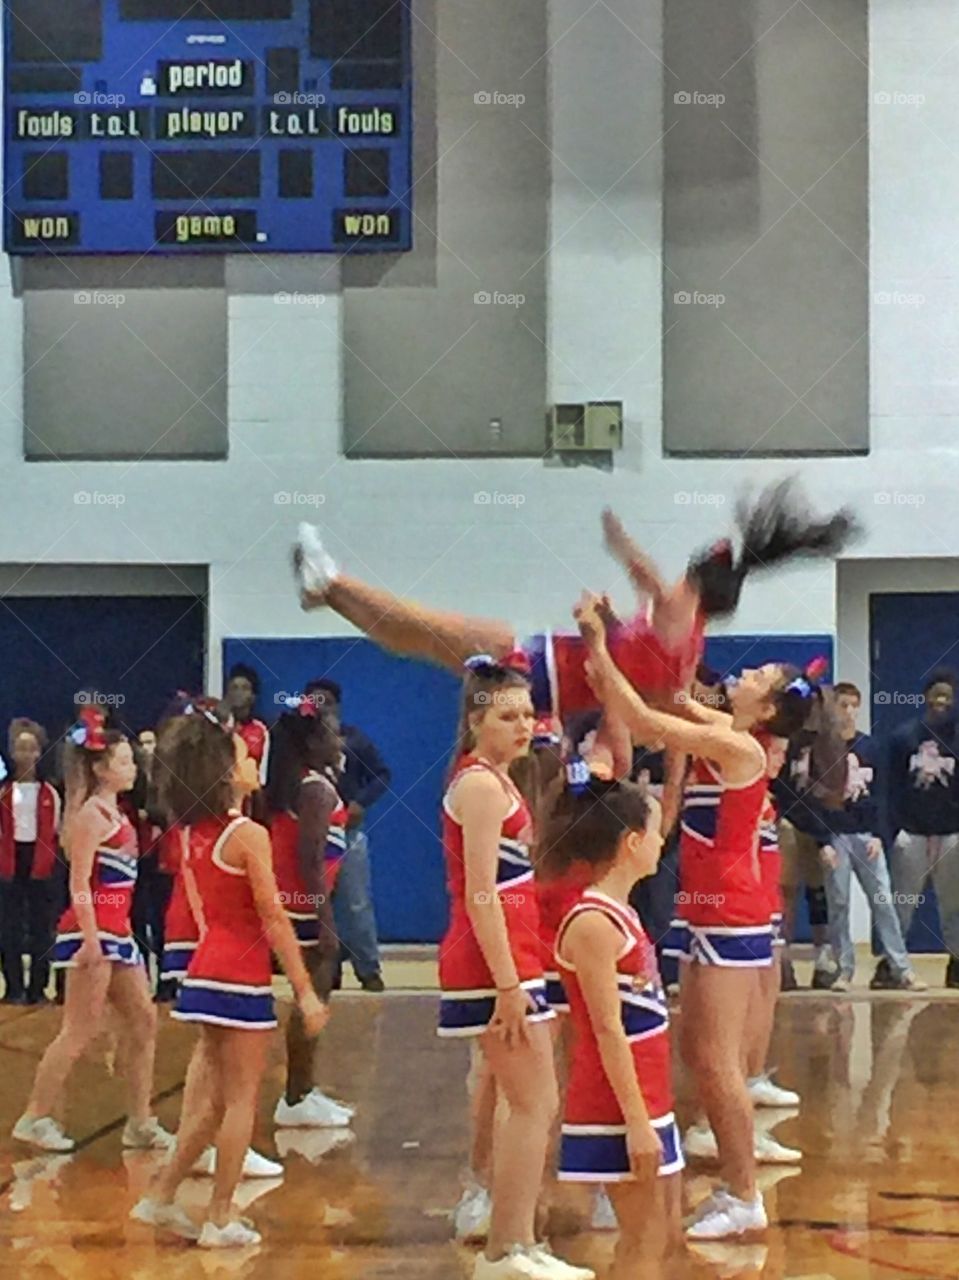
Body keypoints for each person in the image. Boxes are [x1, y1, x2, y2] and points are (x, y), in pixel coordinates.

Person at [577, 592, 821, 1241]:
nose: (739, 675)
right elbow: (665, 698)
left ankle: (744, 1195)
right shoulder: (730, 734)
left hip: (731, 918)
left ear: (766, 706)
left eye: (755, 677)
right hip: (711, 914)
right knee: (701, 1055)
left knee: (714, 1061)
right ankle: (730, 1182)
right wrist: (653, 634)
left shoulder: (741, 751)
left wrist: (599, 643)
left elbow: (641, 717)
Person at [291, 479, 859, 720]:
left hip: (541, 673)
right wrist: (611, 623)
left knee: (444, 631)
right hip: (556, 695)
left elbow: (646, 575)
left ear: (696, 580)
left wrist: (619, 539)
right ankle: (330, 593)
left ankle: (334, 580)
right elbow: (643, 682)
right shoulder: (687, 640)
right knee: (421, 640)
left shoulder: (678, 608)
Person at [132, 701, 326, 1248]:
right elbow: (274, 919)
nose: (253, 761)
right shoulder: (246, 835)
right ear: (223, 771)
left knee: (213, 1101)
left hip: (204, 971)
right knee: (241, 1101)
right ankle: (220, 1216)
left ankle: (160, 1196)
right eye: (243, 754)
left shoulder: (193, 835)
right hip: (239, 978)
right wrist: (305, 992)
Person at [439, 656, 591, 1280]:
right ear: (477, 721)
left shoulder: (501, 782)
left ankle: (518, 1241)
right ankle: (507, 1249)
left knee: (524, 1102)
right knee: (535, 1102)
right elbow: (480, 892)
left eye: (529, 713)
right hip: (491, 963)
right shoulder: (477, 785)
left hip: (516, 956)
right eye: (508, 715)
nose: (524, 725)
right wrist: (507, 982)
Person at [12, 708, 171, 1154]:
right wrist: (93, 941)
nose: (133, 768)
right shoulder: (90, 817)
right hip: (94, 933)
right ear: (101, 769)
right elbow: (78, 883)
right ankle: (35, 1116)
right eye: (124, 762)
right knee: (78, 1030)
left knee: (143, 1021)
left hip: (118, 933)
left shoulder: (117, 813)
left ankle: (140, 1121)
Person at [546, 761, 682, 1280]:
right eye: (654, 830)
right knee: (644, 1239)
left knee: (663, 1232)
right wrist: (637, 1124)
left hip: (650, 1095)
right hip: (617, 1104)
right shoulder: (592, 923)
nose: (661, 838)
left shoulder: (621, 910)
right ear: (631, 842)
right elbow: (604, 1029)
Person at [267, 701, 355, 1127]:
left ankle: (302, 1091)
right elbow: (310, 858)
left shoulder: (306, 783)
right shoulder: (316, 790)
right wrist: (325, 918)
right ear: (314, 742)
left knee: (312, 999)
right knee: (312, 998)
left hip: (297, 902)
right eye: (333, 733)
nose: (340, 740)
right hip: (302, 905)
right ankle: (296, 1097)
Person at [820, 683, 926, 993]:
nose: (849, 712)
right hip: (836, 834)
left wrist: (880, 835)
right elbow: (816, 799)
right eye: (843, 705)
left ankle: (901, 968)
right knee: (838, 902)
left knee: (883, 901)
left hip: (867, 835)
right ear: (833, 708)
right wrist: (823, 840)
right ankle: (844, 970)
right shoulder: (823, 749)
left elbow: (882, 795)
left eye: (854, 705)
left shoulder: (872, 748)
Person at [303, 677, 391, 992]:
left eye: (325, 699)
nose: (320, 705)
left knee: (355, 903)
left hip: (348, 833)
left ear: (337, 705)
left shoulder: (353, 739)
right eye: (313, 700)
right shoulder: (299, 744)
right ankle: (329, 969)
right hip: (313, 836)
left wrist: (360, 802)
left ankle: (368, 970)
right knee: (318, 902)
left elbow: (382, 774)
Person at [883, 669, 959, 988]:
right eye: (935, 693)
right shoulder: (904, 737)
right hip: (911, 833)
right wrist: (892, 831)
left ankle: (956, 963)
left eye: (947, 695)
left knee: (953, 903)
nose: (940, 700)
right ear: (925, 697)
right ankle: (892, 964)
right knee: (901, 902)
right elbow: (889, 789)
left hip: (951, 833)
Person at [0, 719, 60, 1005]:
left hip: (41, 863)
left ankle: (38, 988)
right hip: (9, 863)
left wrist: (47, 866)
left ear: (39, 752)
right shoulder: (3, 791)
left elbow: (56, 831)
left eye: (31, 748)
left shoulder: (50, 792)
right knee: (9, 927)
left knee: (41, 928)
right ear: (12, 752)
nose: (25, 754)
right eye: (20, 748)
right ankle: (13, 987)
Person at [224, 664, 270, 818]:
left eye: (244, 688)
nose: (238, 693)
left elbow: (263, 776)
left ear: (253, 696)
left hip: (250, 803)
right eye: (234, 688)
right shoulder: (218, 727)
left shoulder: (261, 730)